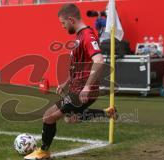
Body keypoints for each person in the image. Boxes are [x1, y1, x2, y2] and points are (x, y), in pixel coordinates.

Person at [24, 4, 117, 160]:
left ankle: (43, 152)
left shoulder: (87, 35)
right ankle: (106, 112)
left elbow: (99, 60)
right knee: (71, 119)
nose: (62, 26)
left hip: (81, 90)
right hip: (76, 88)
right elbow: (78, 66)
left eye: (63, 23)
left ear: (71, 19)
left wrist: (87, 87)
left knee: (48, 117)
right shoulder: (80, 36)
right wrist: (66, 83)